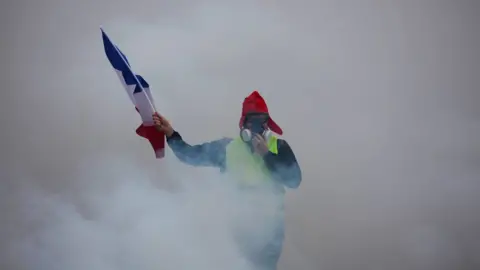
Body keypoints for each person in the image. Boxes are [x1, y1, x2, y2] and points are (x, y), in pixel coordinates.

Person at [152, 90, 302, 270]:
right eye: (251, 121)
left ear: (267, 124)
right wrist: (170, 133)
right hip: (238, 231)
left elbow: (294, 180)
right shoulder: (227, 148)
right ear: (243, 124)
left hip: (269, 234)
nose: (256, 127)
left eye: (261, 121)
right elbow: (190, 155)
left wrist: (267, 155)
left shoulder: (279, 147)